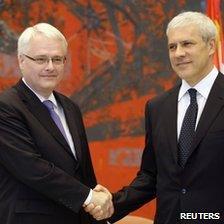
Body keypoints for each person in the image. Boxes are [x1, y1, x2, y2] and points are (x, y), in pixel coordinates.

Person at [86, 11, 224, 224]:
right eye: (172, 46)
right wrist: (112, 204)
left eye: (187, 44)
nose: (178, 53)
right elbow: (151, 176)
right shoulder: (158, 107)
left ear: (211, 46)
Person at [0, 23, 113, 224]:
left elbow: (83, 171)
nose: (50, 67)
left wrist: (96, 205)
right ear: (21, 60)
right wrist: (89, 197)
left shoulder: (70, 107)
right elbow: (32, 168)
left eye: (57, 59)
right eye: (41, 59)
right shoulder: (6, 106)